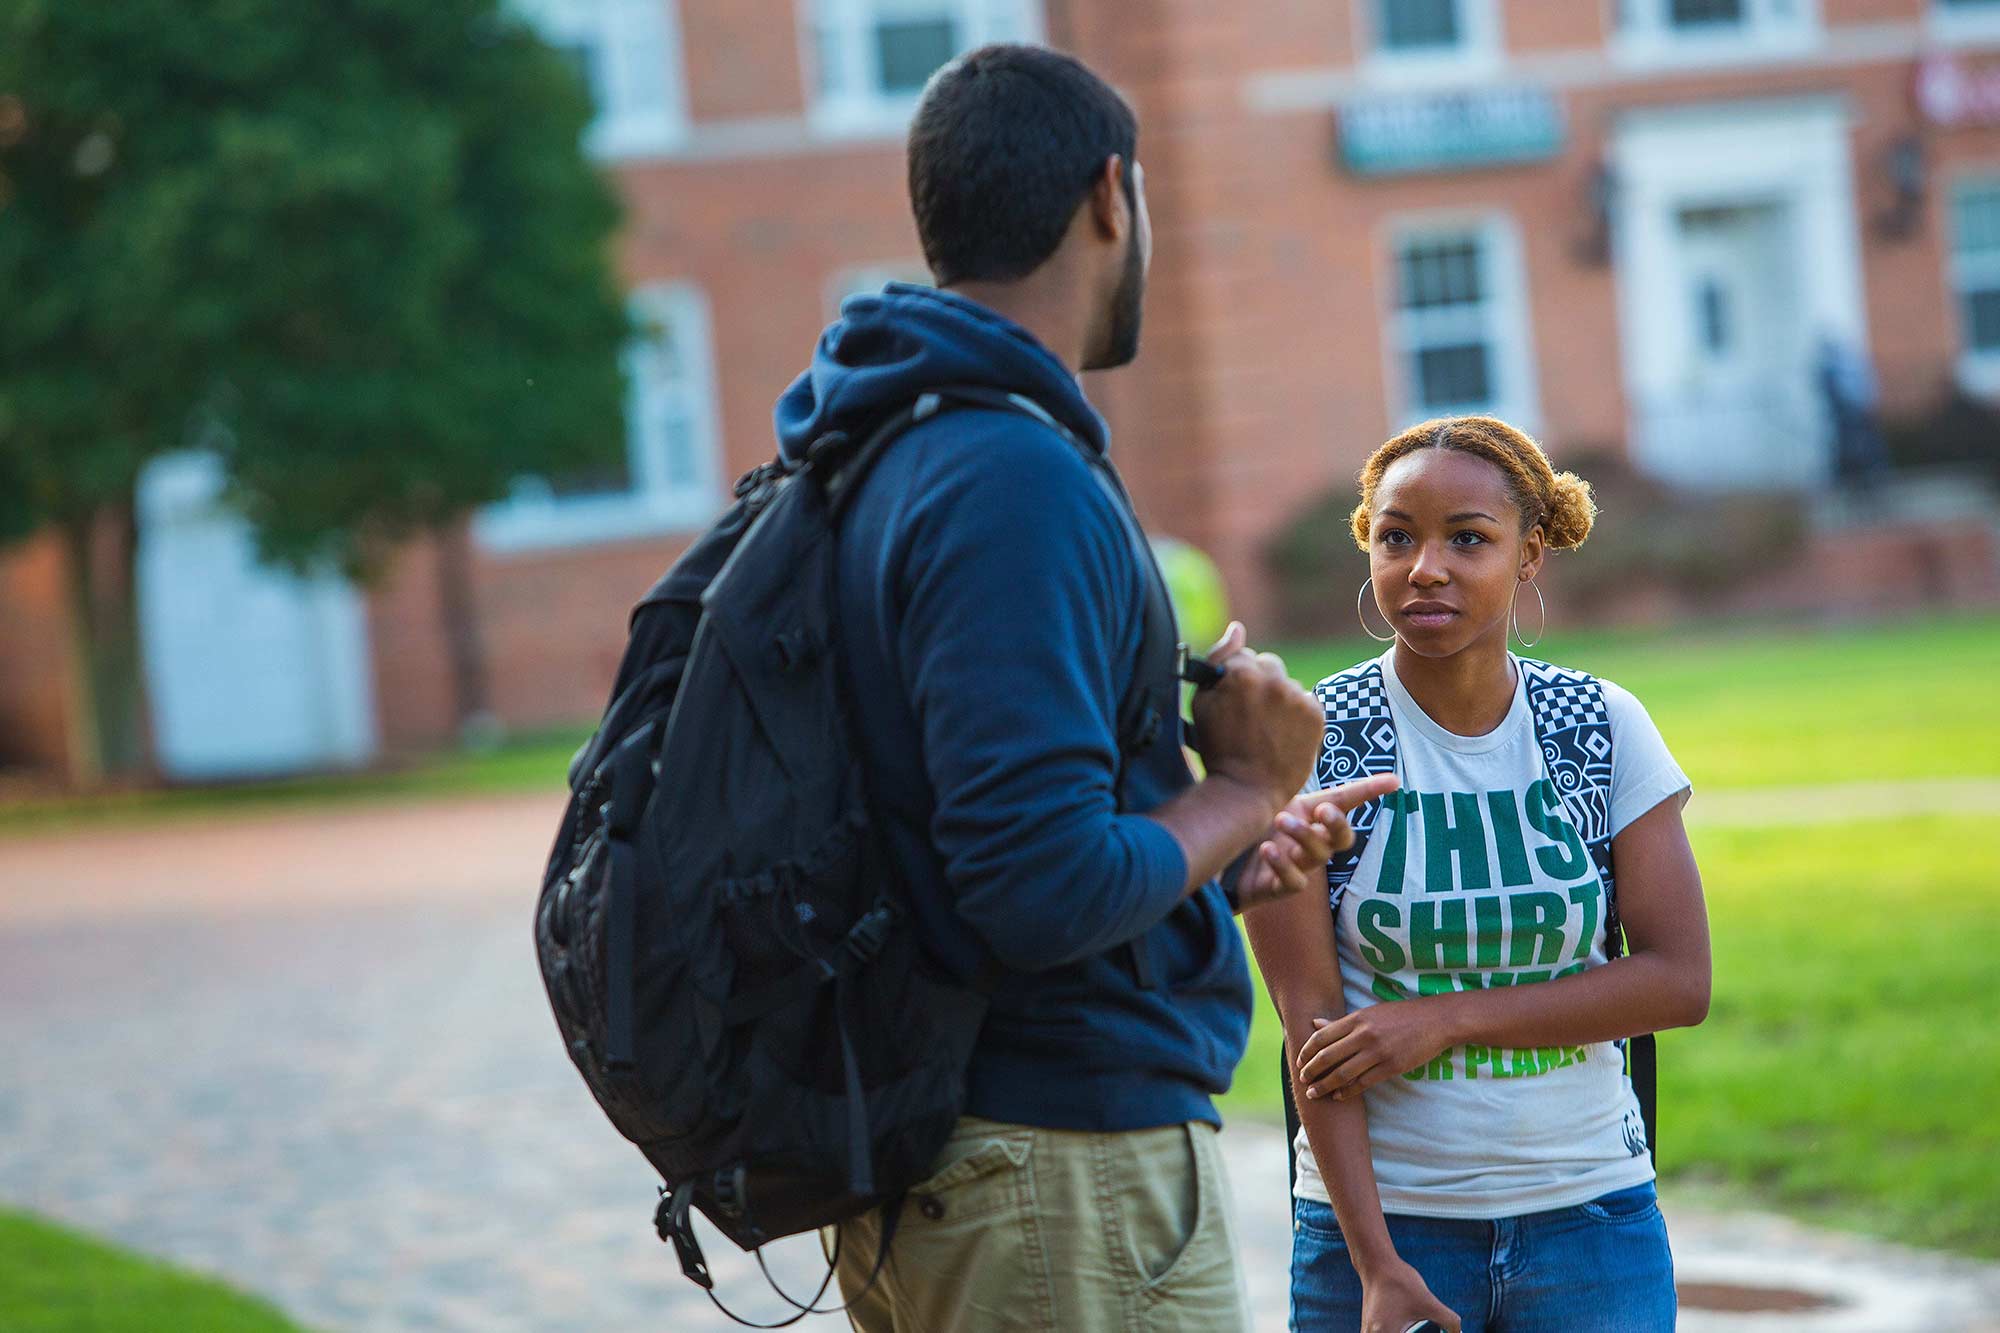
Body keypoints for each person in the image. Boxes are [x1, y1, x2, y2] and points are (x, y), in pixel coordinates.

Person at [773, 43, 1375, 1331]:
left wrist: (1214, 841)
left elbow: (978, 822)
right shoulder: (1008, 478)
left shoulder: (893, 443)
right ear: (1111, 196)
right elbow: (1034, 887)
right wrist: (1248, 784)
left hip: (971, 1159)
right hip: (1053, 1165)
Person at [1245, 417, 1712, 1333]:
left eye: (1467, 537)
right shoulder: (1311, 740)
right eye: (1396, 536)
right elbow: (1313, 1025)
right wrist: (1375, 1264)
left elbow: (1678, 979)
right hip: (1380, 1232)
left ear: (1530, 554)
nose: (1425, 567)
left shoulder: (1601, 725)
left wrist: (1445, 1017)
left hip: (1591, 1221)